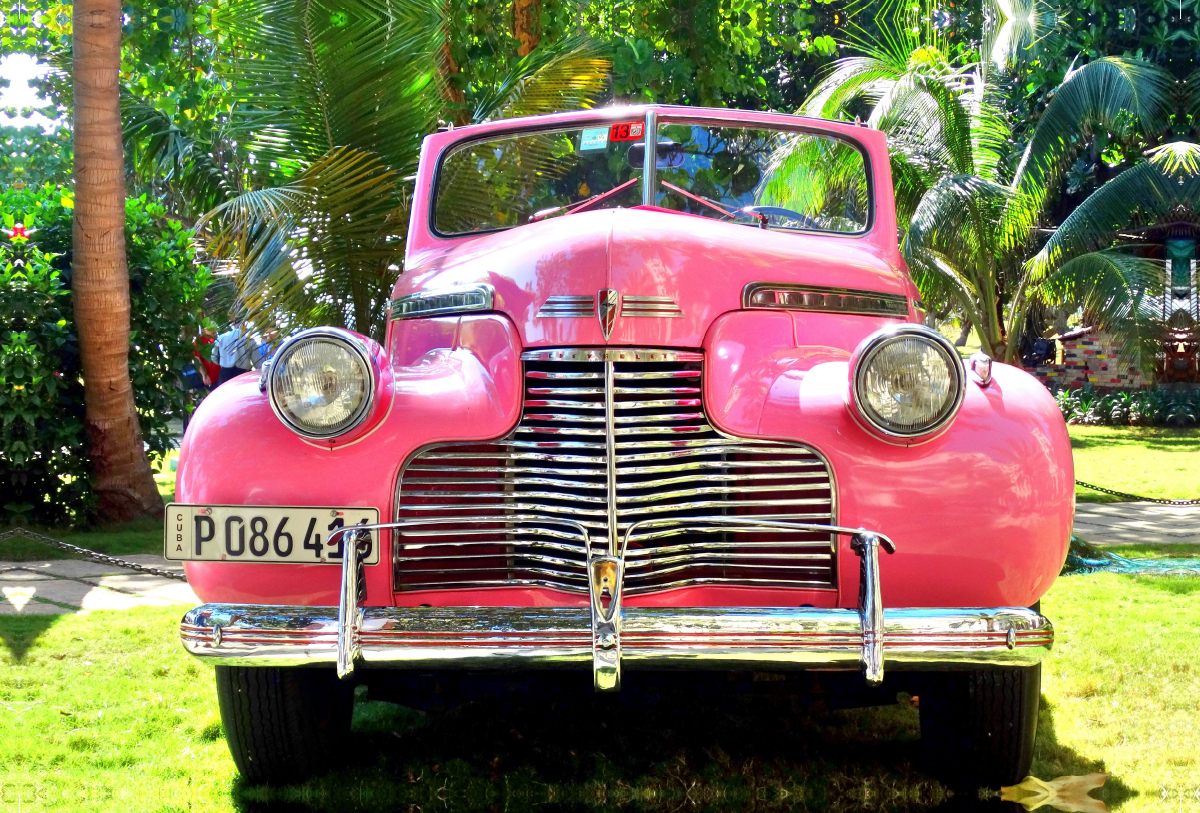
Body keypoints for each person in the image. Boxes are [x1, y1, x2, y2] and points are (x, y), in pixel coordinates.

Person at [214, 317, 257, 385]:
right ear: (244, 324)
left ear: (232, 324)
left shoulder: (221, 338)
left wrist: (223, 362)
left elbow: (214, 357)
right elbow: (257, 361)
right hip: (244, 374)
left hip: (225, 374)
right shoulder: (249, 339)